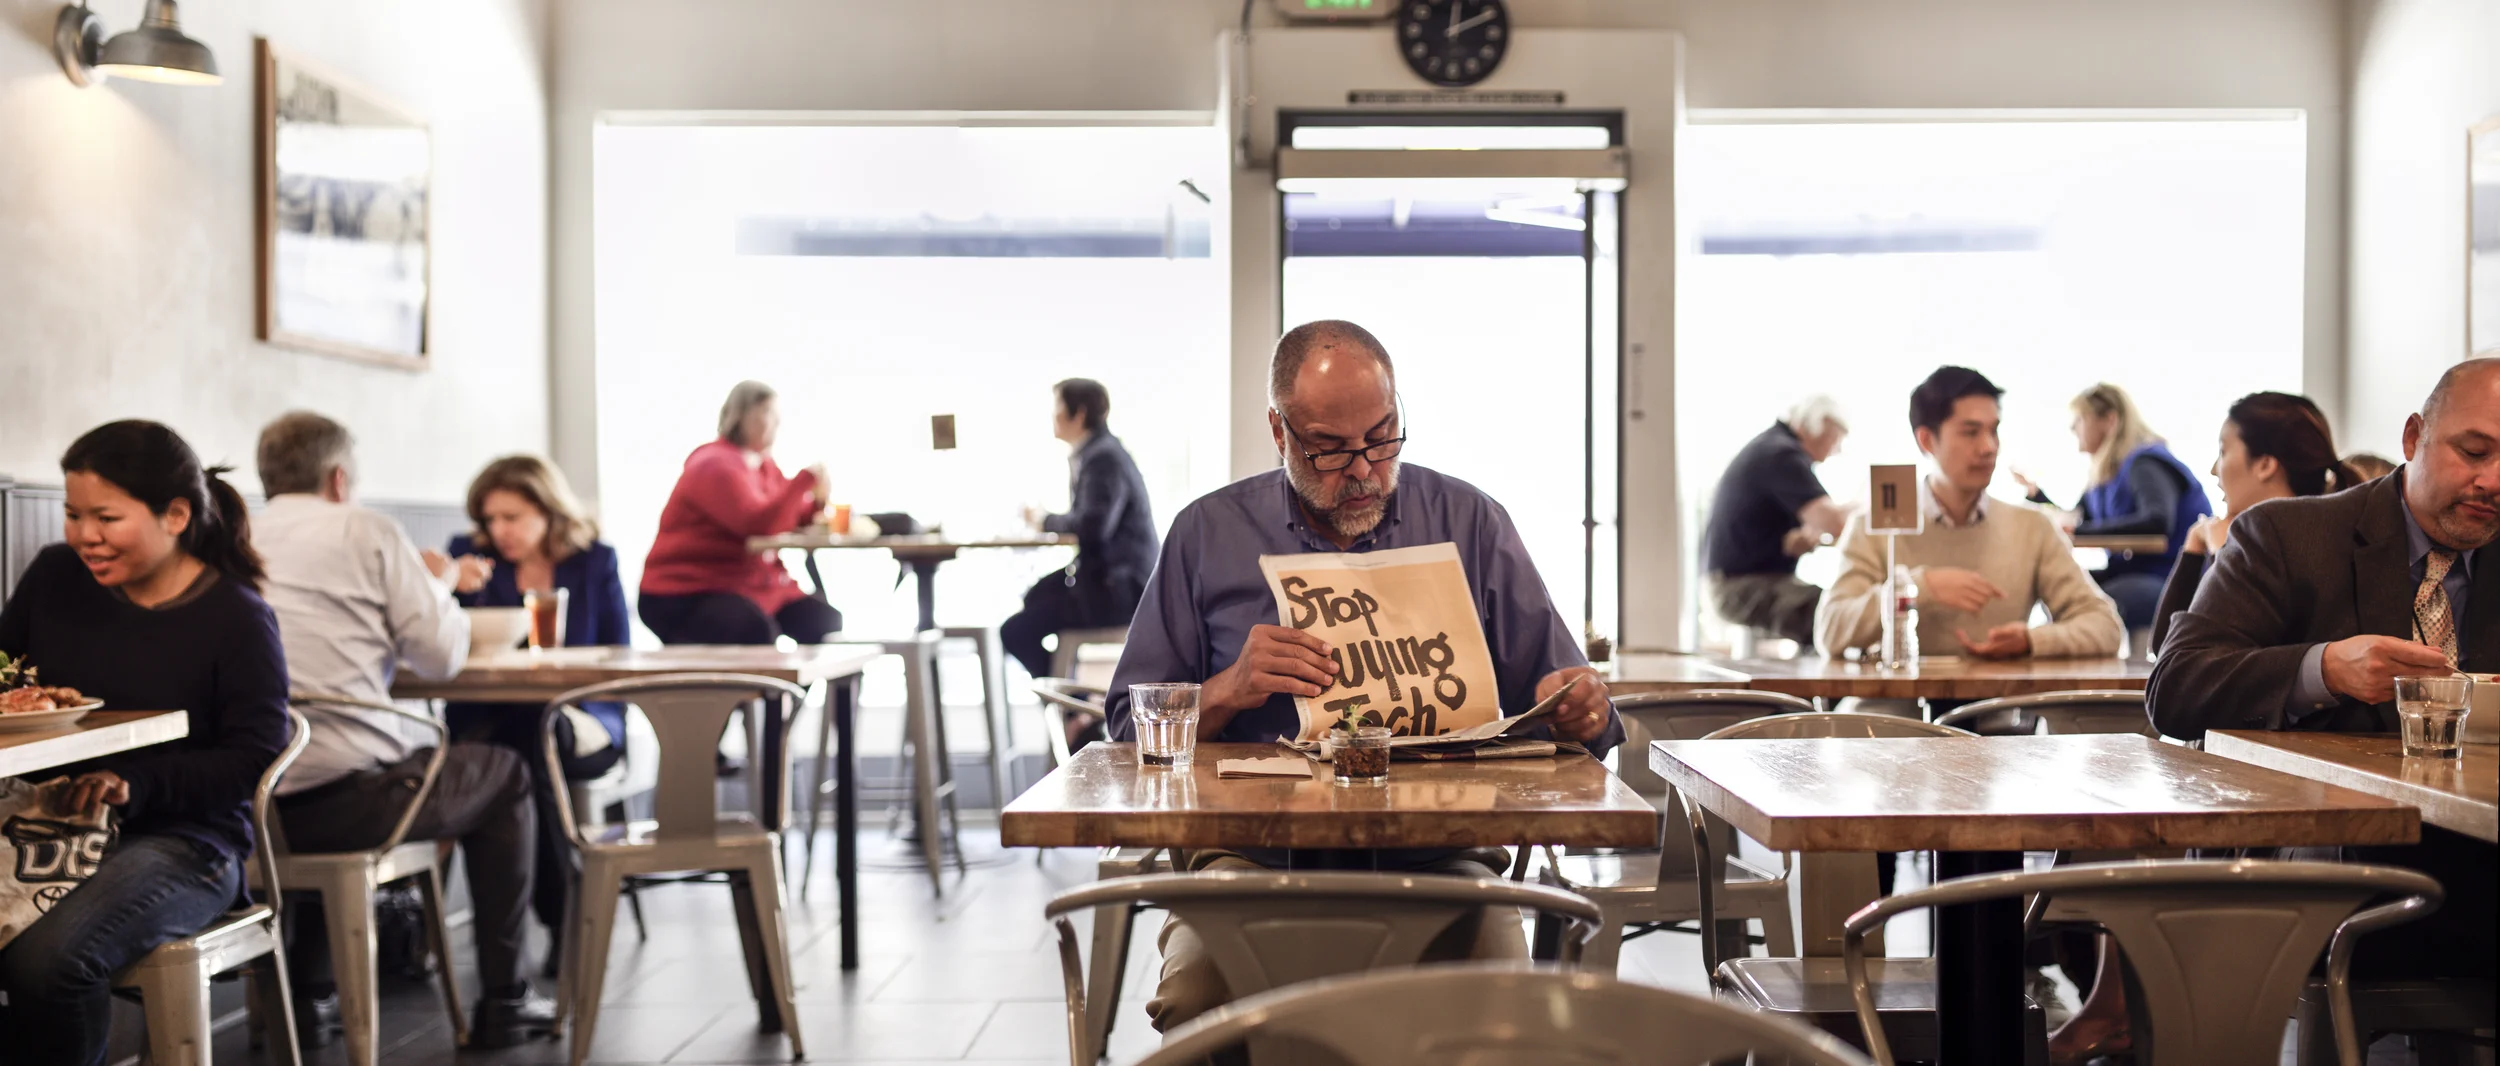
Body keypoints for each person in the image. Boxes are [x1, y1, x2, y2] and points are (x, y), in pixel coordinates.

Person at [1106, 320, 1622, 1041]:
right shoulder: (1206, 534)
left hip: (1444, 859)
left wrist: (1579, 711)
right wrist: (1228, 689)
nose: (1363, 471)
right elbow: (1130, 733)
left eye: (1382, 438)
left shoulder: (1467, 521)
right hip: (1248, 862)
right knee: (1196, 1003)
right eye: (1330, 449)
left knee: (1505, 1016)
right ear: (1279, 434)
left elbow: (1580, 714)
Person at [2149, 358, 2497, 985]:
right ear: (2414, 437)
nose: (2493, 481)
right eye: (2474, 452)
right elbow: (2176, 686)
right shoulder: (2289, 536)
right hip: (2335, 852)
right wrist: (2325, 669)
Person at [249, 411, 553, 1047]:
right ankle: (504, 999)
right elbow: (441, 658)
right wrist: (436, 582)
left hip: (251, 809)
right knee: (506, 773)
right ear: (339, 479)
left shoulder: (235, 534)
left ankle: (306, 1000)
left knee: (317, 766)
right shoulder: (367, 529)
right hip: (354, 804)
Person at [0, 421, 289, 1066]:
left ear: (176, 515)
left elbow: (255, 754)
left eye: (106, 517)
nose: (83, 536)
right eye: (72, 514)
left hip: (185, 841)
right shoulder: (55, 577)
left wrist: (138, 785)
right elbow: (6, 673)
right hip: (41, 819)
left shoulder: (235, 616)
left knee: (47, 960)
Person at [443, 455, 631, 967]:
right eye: (490, 519)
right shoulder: (468, 560)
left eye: (513, 517)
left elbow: (620, 652)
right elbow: (439, 646)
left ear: (548, 511)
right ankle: (562, 913)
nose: (499, 531)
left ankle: (528, 938)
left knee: (528, 739)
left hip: (585, 717)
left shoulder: (594, 560)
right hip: (492, 718)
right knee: (525, 739)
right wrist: (447, 588)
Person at [1816, 367, 2124, 663]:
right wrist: (1921, 588)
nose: (1989, 447)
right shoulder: (1875, 528)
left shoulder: (2032, 527)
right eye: (1971, 432)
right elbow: (1831, 631)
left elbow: (2106, 628)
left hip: (1995, 712)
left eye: (1994, 430)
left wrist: (2033, 641)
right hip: (1890, 714)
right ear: (1926, 441)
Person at [1001, 379, 1158, 744]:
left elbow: (1093, 525)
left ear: (1079, 414)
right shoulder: (1100, 452)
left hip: (1118, 590)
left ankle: (1074, 709)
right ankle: (1075, 705)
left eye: (1058, 410)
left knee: (1015, 630)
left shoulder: (1102, 457)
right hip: (1110, 580)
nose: (1053, 419)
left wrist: (1044, 519)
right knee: (1034, 598)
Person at [2147, 393, 2356, 651]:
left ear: (2265, 465)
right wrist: (2194, 547)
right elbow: (2164, 652)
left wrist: (2220, 555)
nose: (2214, 469)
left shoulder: (2306, 552)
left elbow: (2219, 654)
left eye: (2223, 451)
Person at [639, 380, 840, 646]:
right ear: (742, 415)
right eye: (768, 413)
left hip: (753, 585)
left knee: (824, 621)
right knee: (754, 630)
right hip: (688, 590)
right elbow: (758, 524)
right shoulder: (714, 465)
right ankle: (768, 689)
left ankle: (799, 690)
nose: (776, 423)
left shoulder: (764, 465)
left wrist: (816, 501)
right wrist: (804, 480)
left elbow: (790, 515)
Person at [2018, 384, 2212, 635]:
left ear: (2109, 420)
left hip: (2170, 579)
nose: (2072, 428)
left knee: (2084, 606)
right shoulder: (2103, 477)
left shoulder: (2145, 463)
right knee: (2058, 591)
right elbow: (2077, 519)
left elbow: (2157, 520)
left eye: (2079, 420)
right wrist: (2037, 496)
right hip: (2132, 571)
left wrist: (2079, 529)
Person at [1700, 396, 1852, 647]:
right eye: (1833, 440)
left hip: (1734, 581)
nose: (1835, 451)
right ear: (1812, 428)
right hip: (1738, 588)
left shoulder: (1771, 448)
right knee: (1833, 611)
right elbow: (1833, 522)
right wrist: (1870, 505)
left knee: (1826, 607)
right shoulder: (1782, 455)